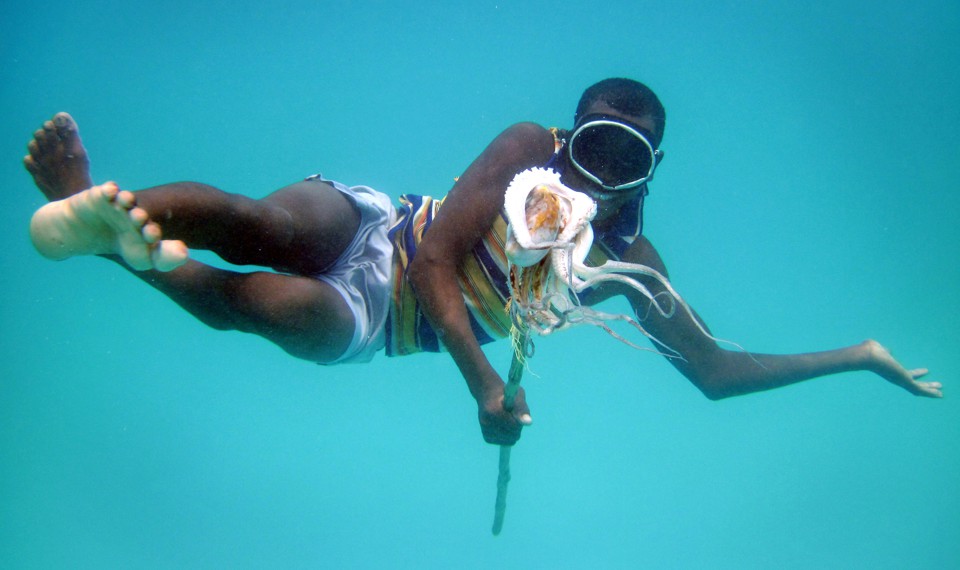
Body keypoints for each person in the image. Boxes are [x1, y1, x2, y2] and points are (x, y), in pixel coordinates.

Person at [24, 78, 942, 447]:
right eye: (595, 145)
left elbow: (711, 371)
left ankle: (113, 250)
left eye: (627, 162)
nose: (600, 173)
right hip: (387, 236)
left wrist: (856, 357)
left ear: (649, 175)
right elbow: (433, 263)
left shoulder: (634, 261)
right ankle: (95, 205)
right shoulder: (524, 148)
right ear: (570, 133)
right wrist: (482, 386)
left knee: (266, 309)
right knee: (261, 218)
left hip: (387, 328)